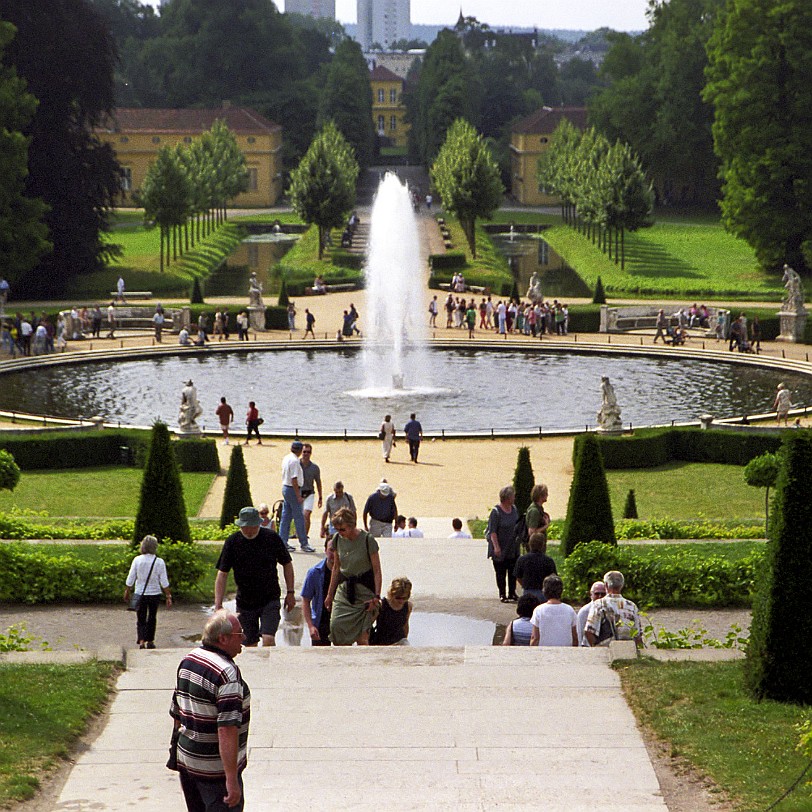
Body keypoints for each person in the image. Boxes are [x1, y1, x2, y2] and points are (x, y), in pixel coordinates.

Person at [170, 609, 250, 811]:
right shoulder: (226, 674)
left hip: (188, 764)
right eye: (239, 634)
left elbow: (177, 712)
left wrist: (175, 751)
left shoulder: (189, 660)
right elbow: (226, 729)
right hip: (215, 773)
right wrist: (231, 780)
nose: (244, 638)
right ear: (223, 639)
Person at [214, 506, 295, 647]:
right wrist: (218, 605)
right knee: (250, 643)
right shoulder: (233, 542)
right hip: (245, 602)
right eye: (245, 527)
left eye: (252, 526)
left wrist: (290, 592)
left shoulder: (271, 538)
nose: (248, 530)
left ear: (258, 524)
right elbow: (222, 574)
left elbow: (287, 564)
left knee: (268, 638)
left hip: (270, 598)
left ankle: (269, 667)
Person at [324, 507, 383, 646]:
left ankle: (363, 666)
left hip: (365, 591)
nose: (340, 532)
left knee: (362, 637)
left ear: (352, 526)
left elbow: (377, 570)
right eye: (337, 529)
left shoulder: (367, 540)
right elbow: (336, 568)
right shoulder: (337, 539)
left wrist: (376, 596)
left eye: (343, 529)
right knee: (336, 627)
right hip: (345, 590)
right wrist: (329, 594)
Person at [123, 534, 172, 649]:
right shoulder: (159, 562)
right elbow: (164, 581)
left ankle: (141, 640)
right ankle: (150, 640)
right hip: (154, 593)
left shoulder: (137, 560)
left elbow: (131, 577)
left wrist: (127, 590)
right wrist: (168, 595)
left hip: (140, 593)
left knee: (141, 618)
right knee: (152, 617)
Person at [584, 570, 643, 647]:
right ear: (622, 585)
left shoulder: (599, 604)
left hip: (606, 651)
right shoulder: (632, 606)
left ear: (606, 585)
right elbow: (637, 635)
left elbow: (589, 631)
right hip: (627, 652)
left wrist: (597, 647)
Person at [486, 485, 521, 603]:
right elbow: (493, 531)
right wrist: (496, 547)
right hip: (500, 547)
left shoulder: (514, 509)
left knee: (512, 571)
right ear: (507, 498)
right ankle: (502, 593)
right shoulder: (496, 512)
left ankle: (512, 592)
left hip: (512, 546)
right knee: (501, 572)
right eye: (513, 496)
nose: (514, 498)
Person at [280, 439, 315, 552]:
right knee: (299, 517)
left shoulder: (287, 458)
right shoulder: (295, 461)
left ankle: (283, 542)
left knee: (286, 517)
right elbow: (294, 479)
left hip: (285, 487)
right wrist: (298, 496)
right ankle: (304, 544)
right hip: (292, 489)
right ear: (299, 450)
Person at [301, 537, 337, 646]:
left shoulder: (347, 572)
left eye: (337, 550)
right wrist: (311, 626)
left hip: (341, 623)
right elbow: (306, 600)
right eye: (331, 550)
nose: (333, 554)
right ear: (325, 550)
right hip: (321, 623)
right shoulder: (314, 572)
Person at [530, 575, 578, 647]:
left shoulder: (539, 610)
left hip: (544, 651)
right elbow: (574, 636)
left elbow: (535, 637)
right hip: (566, 651)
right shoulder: (570, 610)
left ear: (544, 591)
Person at [514, 532, 557, 603]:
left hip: (528, 592)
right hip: (543, 592)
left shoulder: (522, 559)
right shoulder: (548, 560)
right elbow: (553, 578)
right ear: (543, 545)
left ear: (529, 544)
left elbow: (518, 578)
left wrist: (524, 584)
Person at [370, 577, 412, 645]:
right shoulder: (382, 605)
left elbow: (405, 625)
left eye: (404, 598)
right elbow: (369, 623)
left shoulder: (408, 606)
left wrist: (405, 637)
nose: (401, 601)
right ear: (392, 594)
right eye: (398, 598)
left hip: (399, 640)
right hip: (381, 640)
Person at [300, 443, 323, 541]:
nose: (306, 454)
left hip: (309, 493)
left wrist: (320, 497)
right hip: (298, 493)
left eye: (308, 452)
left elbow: (318, 482)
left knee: (306, 514)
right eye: (304, 452)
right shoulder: (296, 464)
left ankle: (304, 536)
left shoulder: (315, 468)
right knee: (298, 515)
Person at [576, 581, 608, 646]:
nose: (600, 596)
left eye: (603, 594)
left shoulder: (609, 610)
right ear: (591, 594)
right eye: (597, 594)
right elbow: (580, 634)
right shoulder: (584, 611)